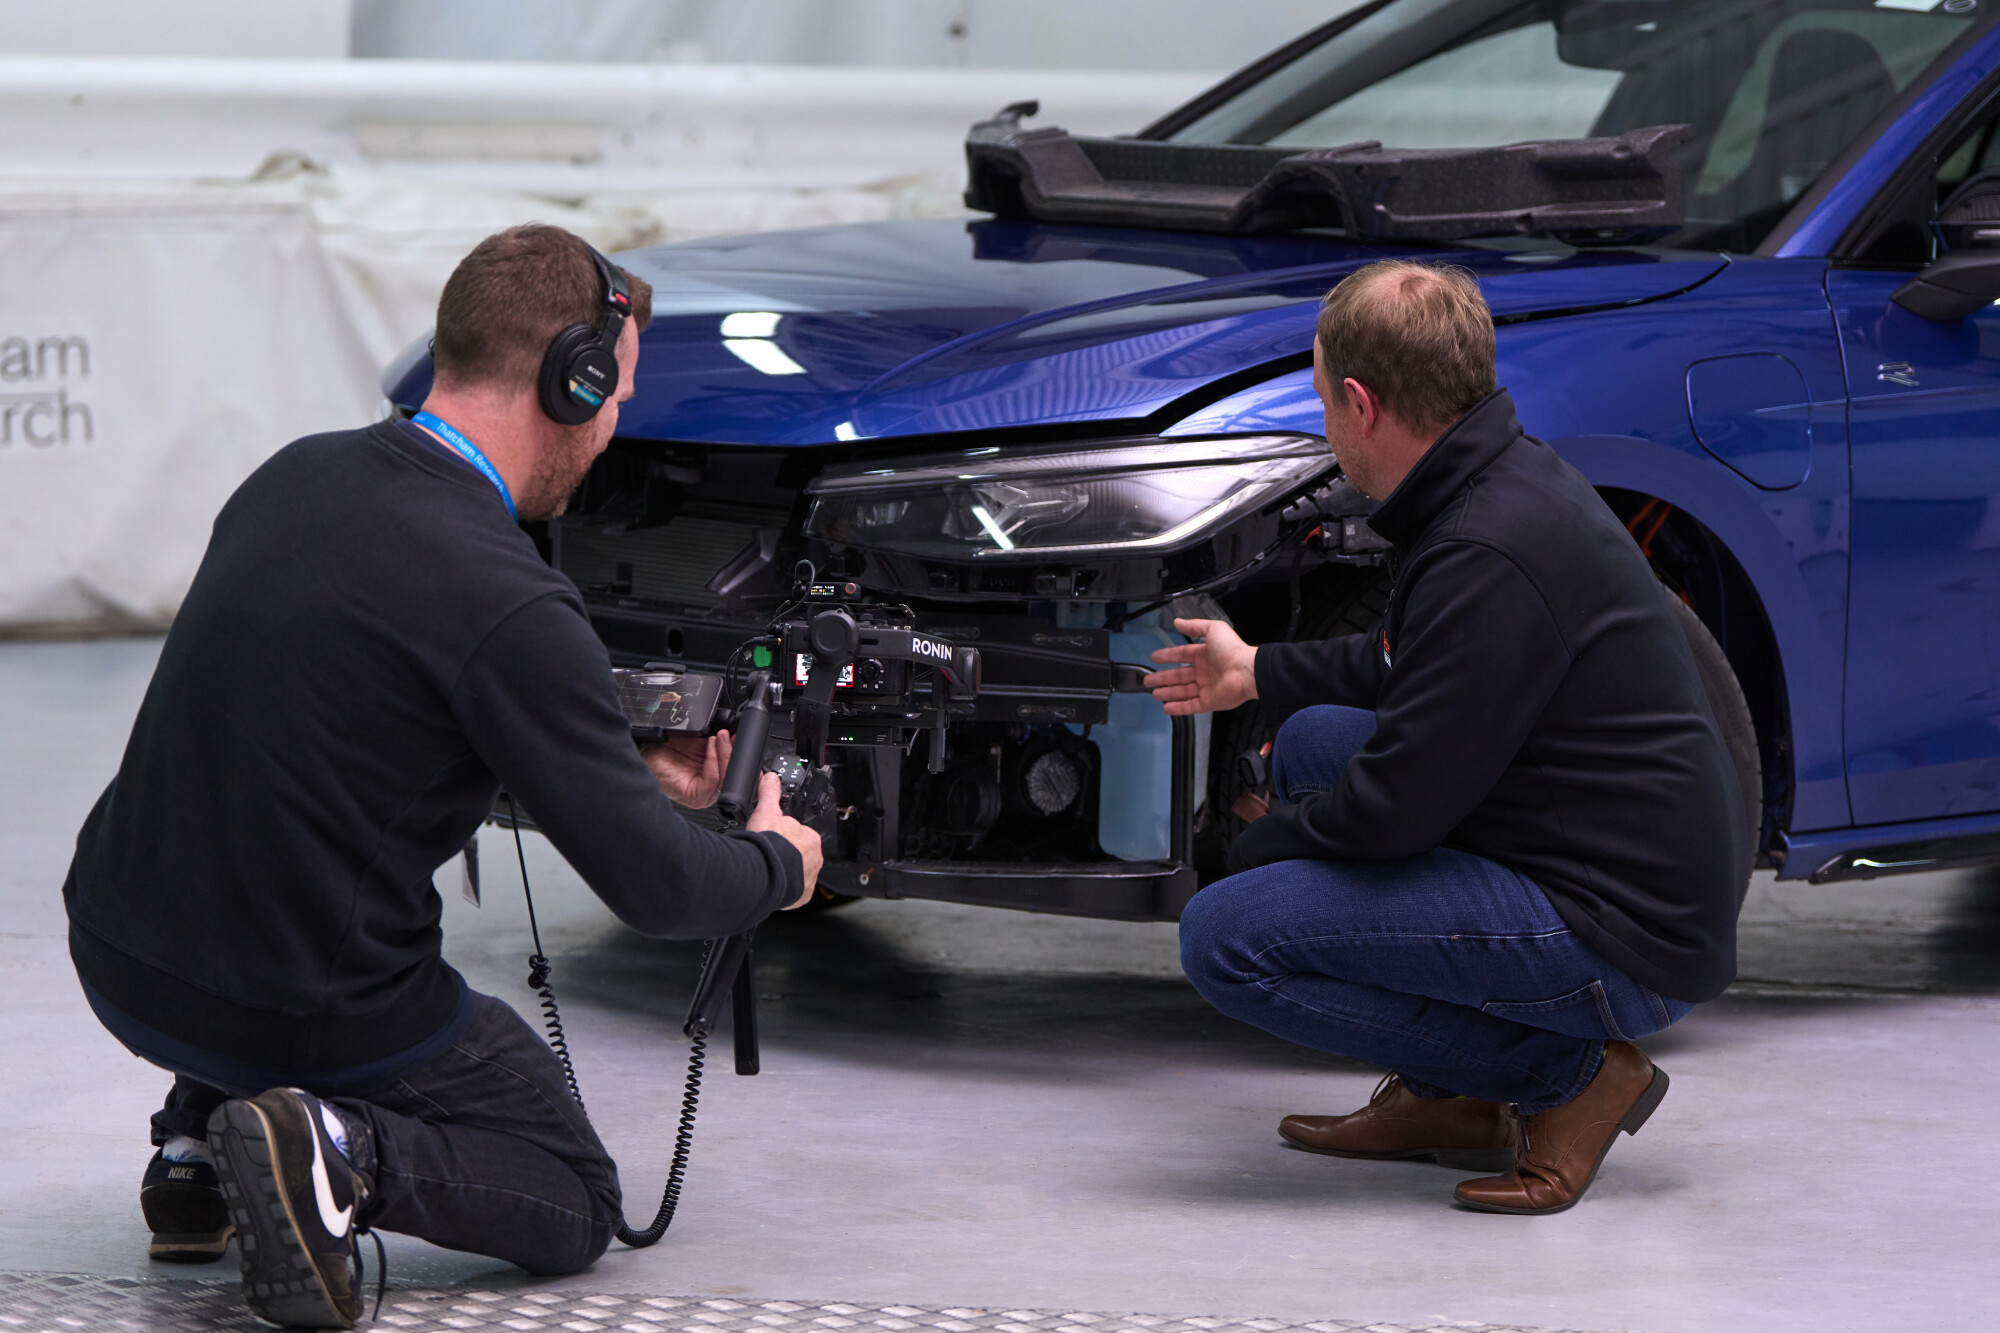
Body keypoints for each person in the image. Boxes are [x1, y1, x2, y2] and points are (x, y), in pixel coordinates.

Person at [62, 223, 823, 1326]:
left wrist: (614, 779)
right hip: (302, 1001)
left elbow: (354, 753)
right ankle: (337, 1149)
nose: (616, 429)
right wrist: (776, 865)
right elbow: (659, 894)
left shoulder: (296, 473)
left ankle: (193, 1147)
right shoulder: (507, 597)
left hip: (120, 951)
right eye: (613, 397)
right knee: (572, 1200)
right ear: (572, 381)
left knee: (272, 857)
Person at [1146, 259, 1743, 1215]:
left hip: (1624, 936)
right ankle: (1453, 1096)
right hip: (1596, 850)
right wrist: (1256, 666)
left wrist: (1252, 847)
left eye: (1321, 402)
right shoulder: (1496, 480)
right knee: (1312, 743)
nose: (1325, 426)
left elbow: (1395, 810)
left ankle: (1570, 1075)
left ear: (1360, 401)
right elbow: (1409, 662)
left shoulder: (1486, 545)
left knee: (1226, 938)